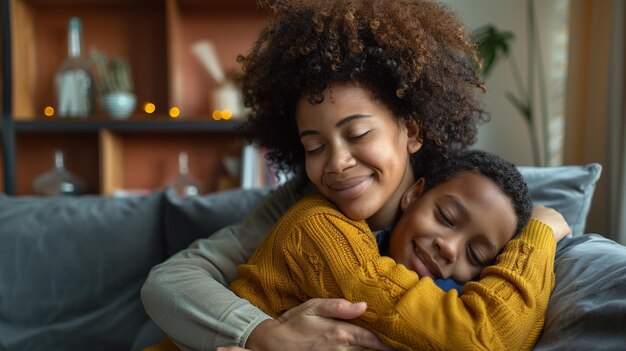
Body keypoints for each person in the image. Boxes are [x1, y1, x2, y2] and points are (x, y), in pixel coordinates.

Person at [141, 0, 571, 350]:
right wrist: (266, 335)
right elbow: (169, 282)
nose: (336, 162)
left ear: (411, 130)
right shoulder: (311, 216)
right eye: (313, 146)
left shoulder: (450, 203)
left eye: (358, 133)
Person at [227, 149, 537, 351]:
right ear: (414, 194)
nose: (449, 248)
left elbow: (520, 330)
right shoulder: (322, 229)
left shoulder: (449, 292)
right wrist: (540, 233)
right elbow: (486, 339)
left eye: (475, 255)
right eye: (445, 217)